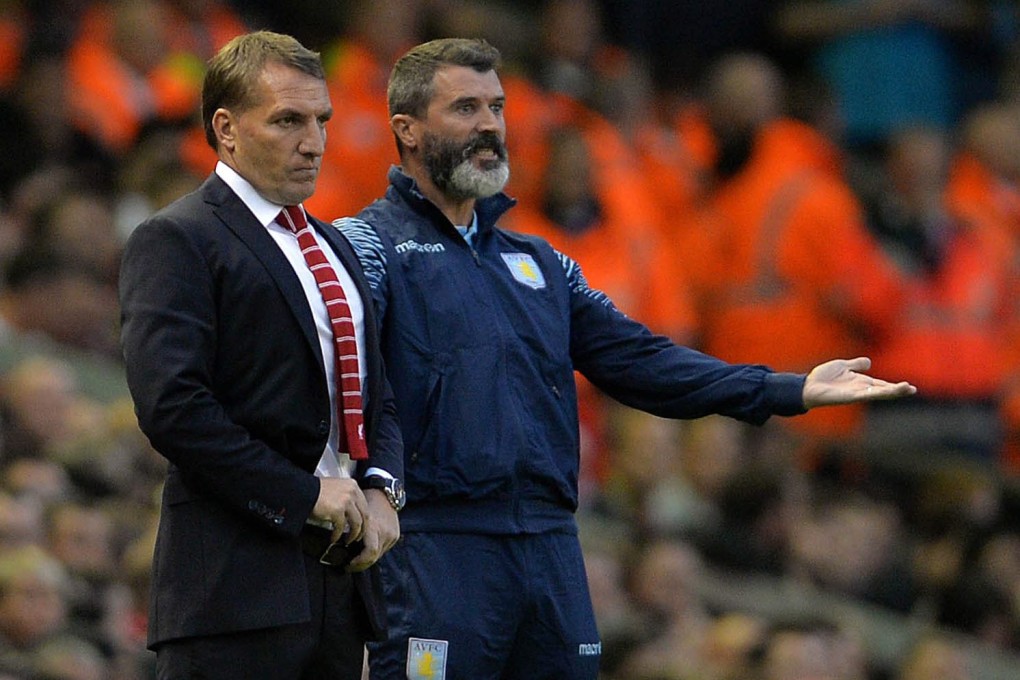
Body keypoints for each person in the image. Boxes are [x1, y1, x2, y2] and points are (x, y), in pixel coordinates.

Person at [333, 37, 915, 679]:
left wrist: (787, 388)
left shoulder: (542, 263)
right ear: (406, 130)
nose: (491, 125)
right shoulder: (364, 248)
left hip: (552, 546)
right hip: (437, 544)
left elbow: (640, 359)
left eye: (496, 107)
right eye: (465, 108)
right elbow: (337, 384)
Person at [118, 31, 404, 680]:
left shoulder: (337, 246)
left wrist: (385, 490)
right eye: (288, 121)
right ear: (226, 128)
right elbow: (173, 408)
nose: (315, 141)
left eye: (322, 120)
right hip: (231, 589)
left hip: (341, 588)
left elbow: (374, 394)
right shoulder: (176, 238)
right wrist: (301, 494)